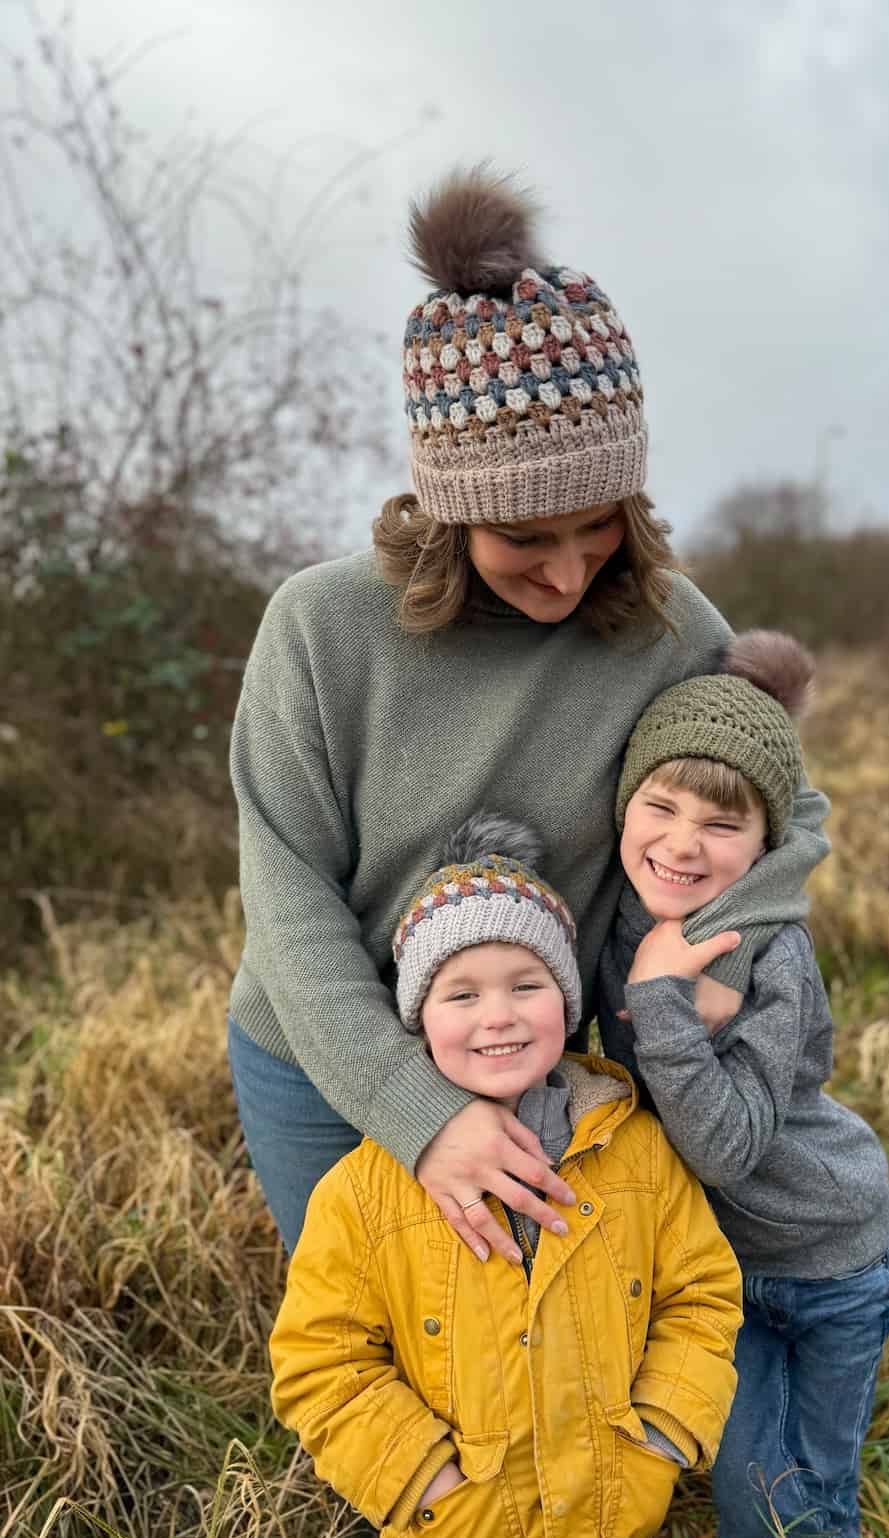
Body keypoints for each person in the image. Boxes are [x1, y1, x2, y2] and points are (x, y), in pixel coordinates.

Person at [227, 162, 831, 1268]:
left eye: (596, 528)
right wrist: (416, 1109)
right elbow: (285, 889)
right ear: (452, 512)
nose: (565, 575)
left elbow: (786, 808)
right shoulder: (319, 628)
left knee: (540, 1367)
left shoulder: (665, 623)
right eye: (525, 541)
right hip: (325, 1057)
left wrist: (704, 962)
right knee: (373, 1359)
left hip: (546, 1060)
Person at [269, 814, 743, 1538]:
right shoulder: (366, 1190)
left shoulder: (634, 1151)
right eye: (462, 993)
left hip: (604, 1537)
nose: (499, 1015)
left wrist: (659, 1437)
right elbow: (322, 1361)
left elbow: (702, 1294)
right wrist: (426, 1484)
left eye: (528, 985)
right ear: (417, 1019)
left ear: (565, 999)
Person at [595, 631, 889, 1538]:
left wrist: (663, 1005)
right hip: (714, 1275)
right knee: (768, 1494)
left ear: (766, 844)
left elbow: (727, 1148)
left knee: (787, 1503)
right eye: (661, 807)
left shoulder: (771, 958)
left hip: (829, 1259)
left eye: (722, 824)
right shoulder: (611, 923)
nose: (684, 842)